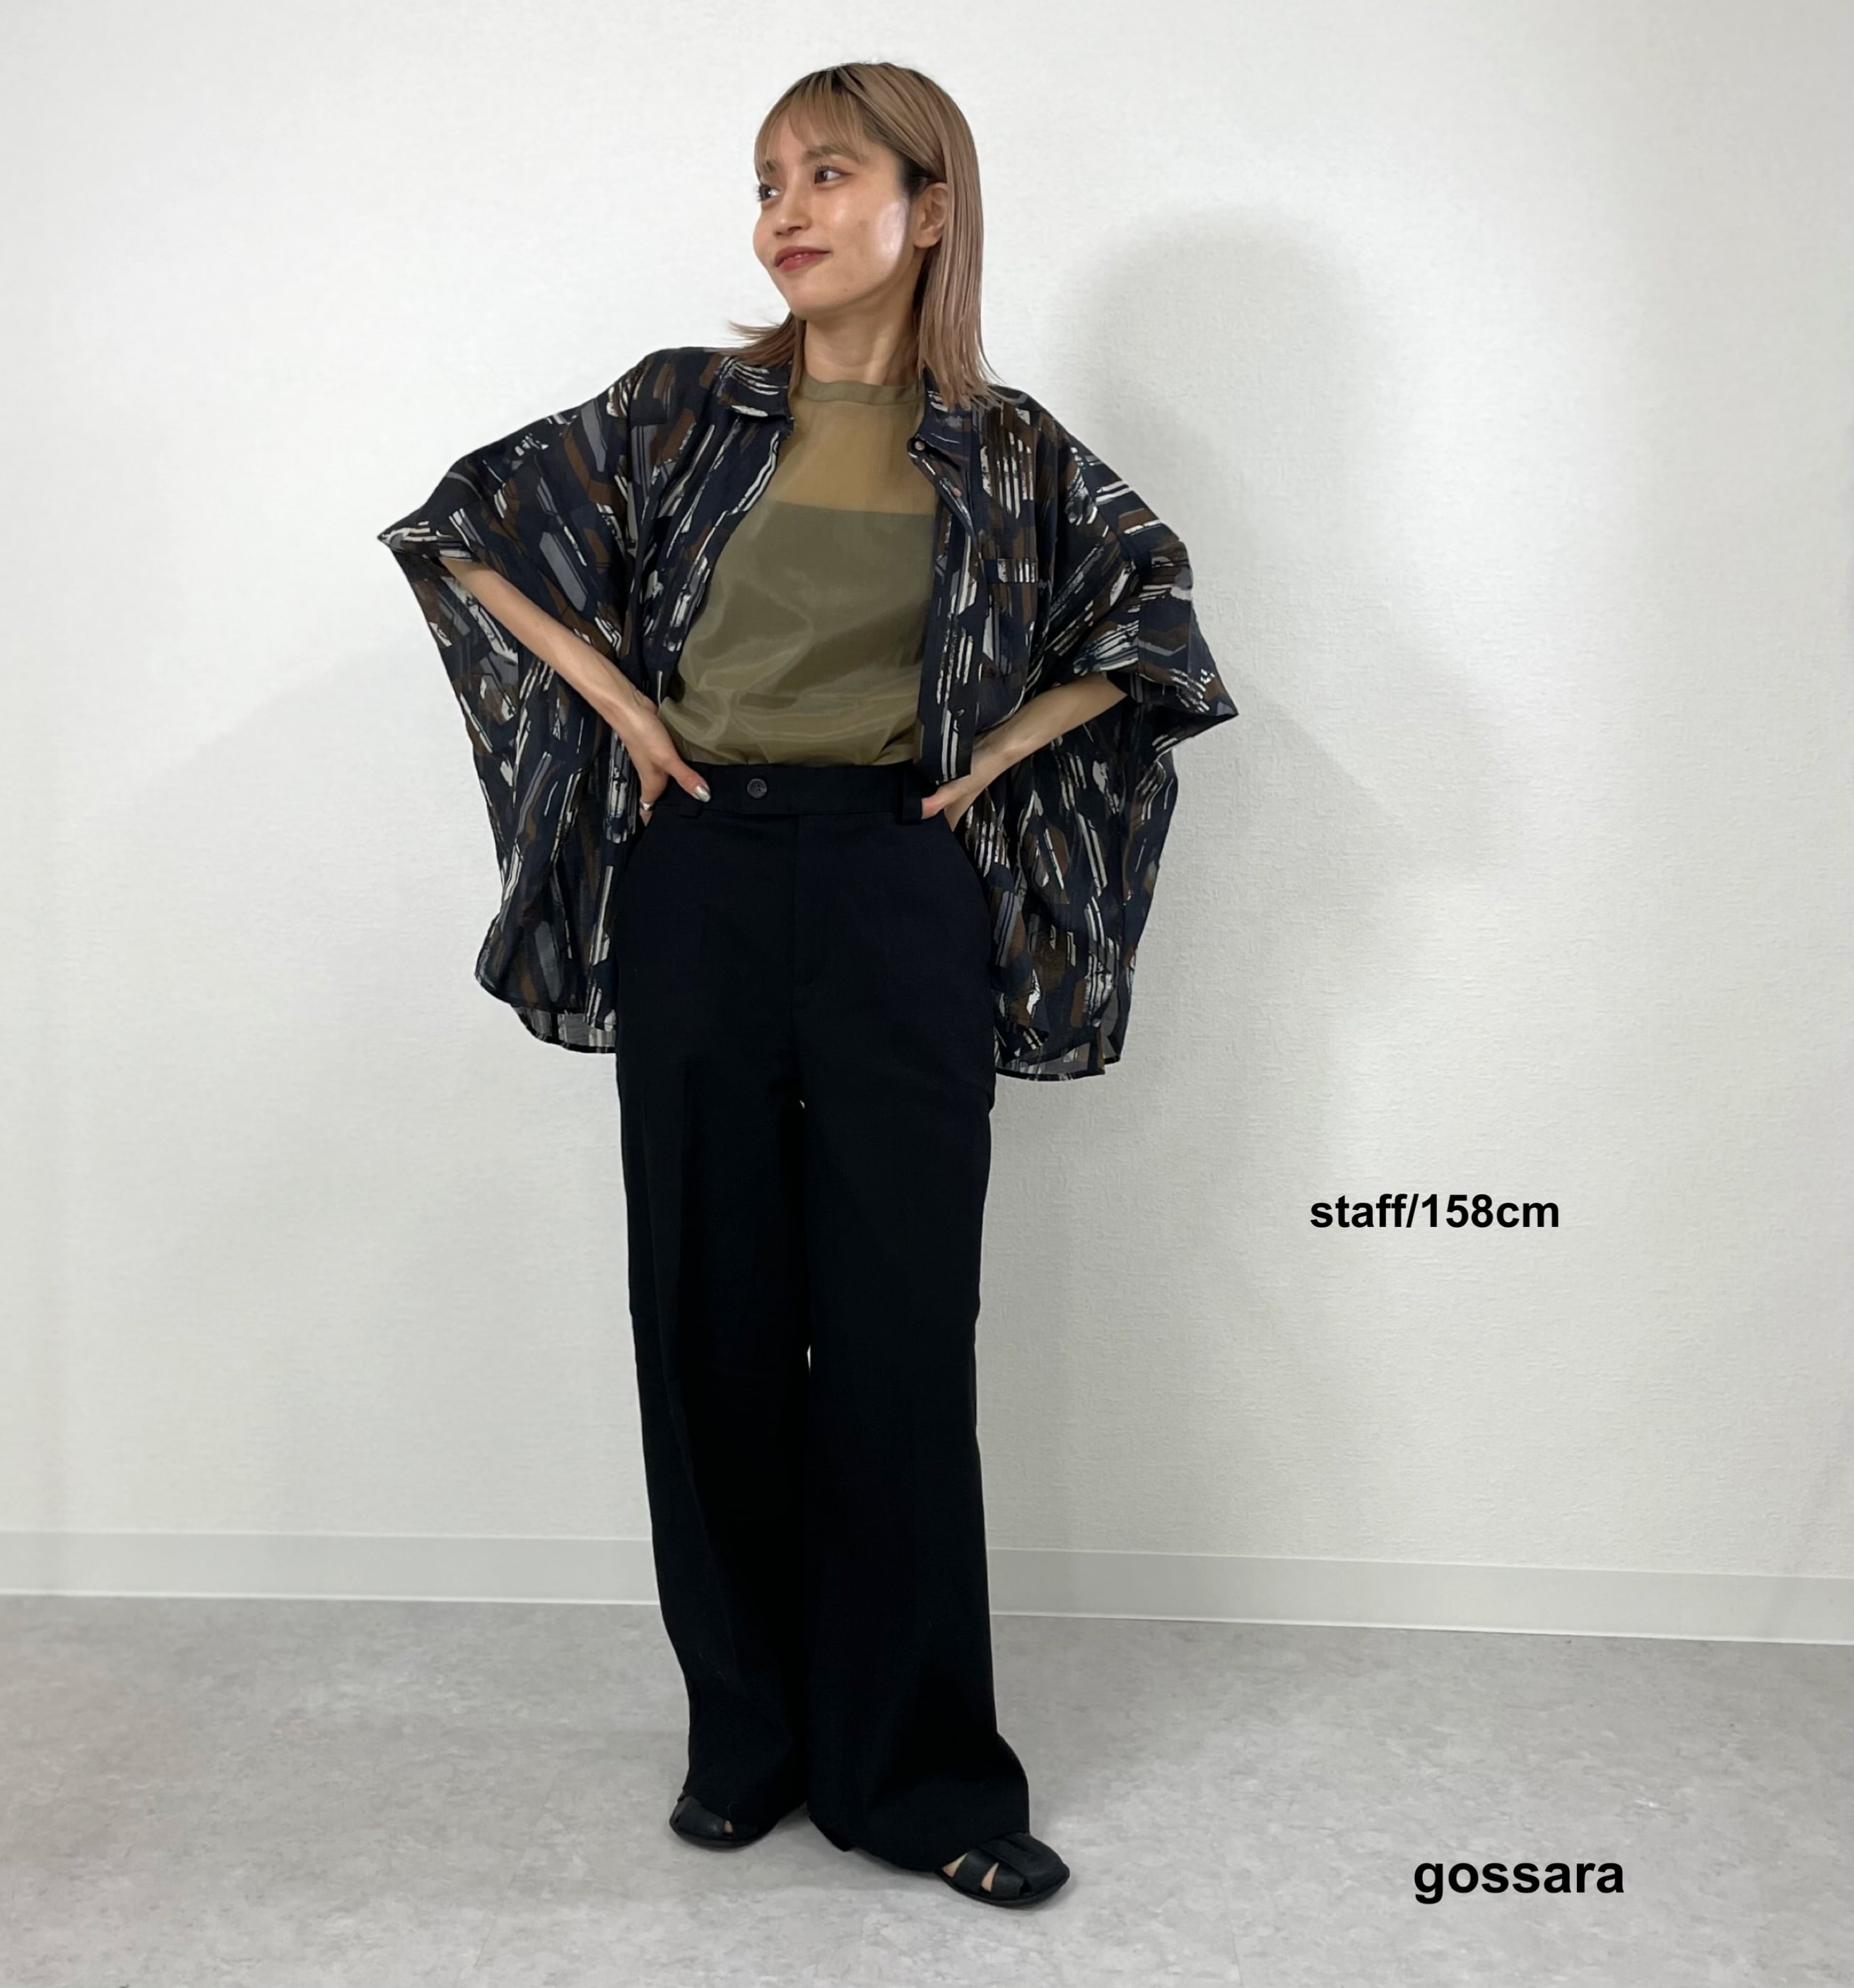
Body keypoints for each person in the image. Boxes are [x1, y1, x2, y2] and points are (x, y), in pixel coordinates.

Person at [377, 61, 1237, 1910]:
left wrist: (1007, 745)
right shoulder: (683, 411)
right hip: (696, 876)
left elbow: (1156, 623)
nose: (787, 208)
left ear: (929, 208)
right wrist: (620, 704)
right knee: (711, 1314)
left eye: (829, 173)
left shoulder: (1006, 451)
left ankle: (919, 1778)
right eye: (770, 177)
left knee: (902, 1336)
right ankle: (749, 1738)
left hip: (895, 884)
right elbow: (465, 528)